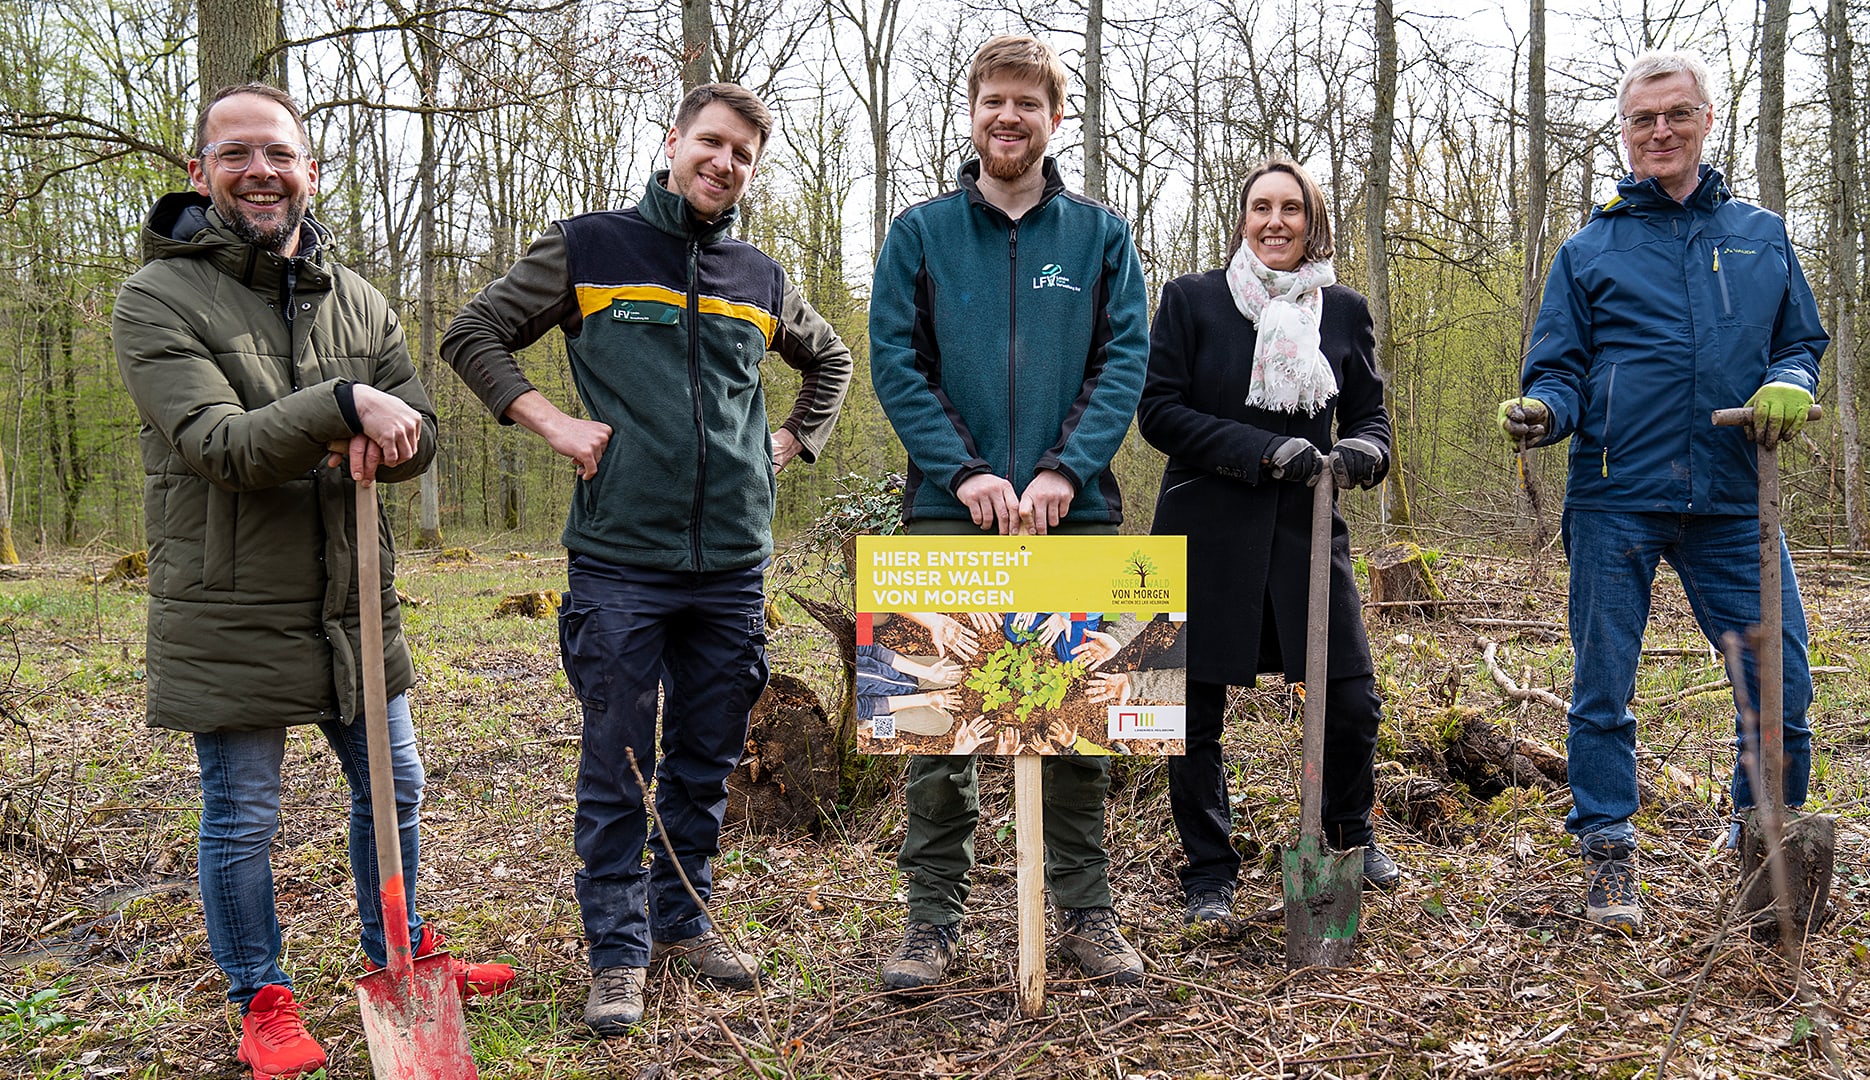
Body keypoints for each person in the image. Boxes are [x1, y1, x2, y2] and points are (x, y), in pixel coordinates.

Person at [112, 84, 513, 1080]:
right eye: (236, 154)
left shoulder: (358, 298)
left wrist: (388, 426)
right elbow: (218, 445)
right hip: (230, 600)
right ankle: (262, 997)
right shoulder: (157, 299)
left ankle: (401, 954)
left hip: (350, 594)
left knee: (399, 785)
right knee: (245, 808)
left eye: (280, 154)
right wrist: (343, 405)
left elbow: (415, 428)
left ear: (310, 170)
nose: (261, 172)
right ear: (199, 171)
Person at [440, 82, 852, 1034]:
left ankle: (686, 917)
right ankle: (618, 950)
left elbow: (831, 362)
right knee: (619, 757)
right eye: (711, 143)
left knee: (707, 754)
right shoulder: (590, 247)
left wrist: (790, 444)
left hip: (734, 563)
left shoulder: (761, 274)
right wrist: (548, 420)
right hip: (620, 559)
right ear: (673, 141)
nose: (725, 164)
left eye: (743, 154)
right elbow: (474, 333)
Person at [1497, 50, 1826, 934]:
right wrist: (1542, 411)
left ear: (1707, 120)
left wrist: (1792, 379)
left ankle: (1764, 840)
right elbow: (1559, 370)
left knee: (1780, 687)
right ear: (1625, 133)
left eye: (1676, 115)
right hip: (1616, 497)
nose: (1660, 133)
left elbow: (1801, 342)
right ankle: (1607, 850)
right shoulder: (1590, 247)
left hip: (1732, 495)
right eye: (1643, 120)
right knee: (1602, 688)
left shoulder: (1760, 235)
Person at [868, 34, 1151, 990]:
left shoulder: (1102, 238)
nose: (1009, 117)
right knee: (932, 720)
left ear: (1055, 118)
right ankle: (930, 922)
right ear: (974, 109)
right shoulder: (920, 234)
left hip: (1077, 513)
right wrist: (966, 474)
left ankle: (1086, 910)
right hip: (949, 516)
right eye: (995, 99)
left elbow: (1124, 363)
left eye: (1029, 103)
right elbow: (898, 368)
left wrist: (1068, 469)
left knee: (1081, 718)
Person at [1136, 156, 1400, 928]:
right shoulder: (1193, 300)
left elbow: (1374, 422)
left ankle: (1350, 834)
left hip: (1307, 535)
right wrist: (1255, 450)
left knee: (1350, 697)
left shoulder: (1343, 311)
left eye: (1292, 207)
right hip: (1202, 530)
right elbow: (1158, 413)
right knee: (1187, 711)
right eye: (1261, 207)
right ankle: (1209, 872)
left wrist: (1364, 455)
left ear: (1313, 221)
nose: (1276, 220)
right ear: (1242, 218)